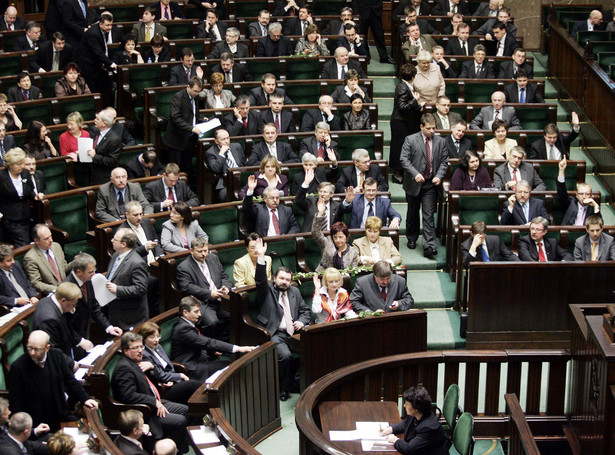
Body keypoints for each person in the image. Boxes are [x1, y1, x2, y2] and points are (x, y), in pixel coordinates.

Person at [111, 332, 189, 453]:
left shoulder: (136, 362)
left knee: (186, 410)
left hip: (156, 401)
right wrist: (154, 402)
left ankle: (174, 446)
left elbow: (158, 377)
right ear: (125, 351)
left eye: (141, 347)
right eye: (135, 348)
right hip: (147, 411)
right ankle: (171, 451)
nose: (140, 350)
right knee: (180, 420)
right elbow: (128, 395)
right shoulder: (124, 368)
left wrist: (152, 366)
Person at [254, 239, 310, 400]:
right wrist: (261, 257)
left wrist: (302, 321)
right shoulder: (267, 291)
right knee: (285, 356)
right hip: (275, 333)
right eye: (281, 279)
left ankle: (300, 384)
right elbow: (259, 280)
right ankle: (282, 389)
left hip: (294, 333)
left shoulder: (294, 292)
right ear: (274, 279)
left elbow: (305, 310)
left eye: (287, 279)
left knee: (313, 350)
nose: (284, 282)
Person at [9, 331, 98, 432]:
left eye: (36, 349)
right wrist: (29, 429)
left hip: (60, 413)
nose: (32, 352)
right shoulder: (18, 367)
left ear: (47, 348)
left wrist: (85, 398)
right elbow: (15, 401)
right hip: (37, 422)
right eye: (29, 347)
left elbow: (70, 381)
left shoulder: (57, 355)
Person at [171, 296, 255, 380]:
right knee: (227, 364)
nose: (199, 314)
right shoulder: (183, 328)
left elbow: (198, 342)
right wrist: (238, 348)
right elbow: (207, 342)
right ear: (185, 312)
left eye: (199, 311)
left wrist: (212, 351)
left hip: (198, 360)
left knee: (228, 362)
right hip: (191, 368)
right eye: (196, 312)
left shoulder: (187, 323)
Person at [400, 113, 448, 256]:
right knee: (413, 213)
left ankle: (429, 246)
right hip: (414, 182)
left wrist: (439, 176)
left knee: (428, 215)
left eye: (434, 128)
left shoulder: (441, 141)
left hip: (430, 184)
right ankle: (412, 238)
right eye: (429, 128)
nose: (432, 131)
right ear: (421, 127)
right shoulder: (410, 139)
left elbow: (445, 161)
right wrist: (415, 174)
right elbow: (404, 160)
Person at [175, 237, 229, 338]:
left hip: (221, 298)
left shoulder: (213, 258)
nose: (203, 254)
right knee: (212, 322)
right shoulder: (184, 267)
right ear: (191, 251)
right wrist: (209, 293)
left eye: (205, 251)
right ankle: (209, 349)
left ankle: (222, 342)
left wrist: (226, 287)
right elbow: (186, 287)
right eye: (200, 251)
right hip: (202, 302)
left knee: (235, 316)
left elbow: (223, 276)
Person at [138, 322, 202, 405]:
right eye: (152, 337)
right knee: (192, 384)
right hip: (163, 389)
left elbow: (170, 365)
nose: (156, 340)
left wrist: (172, 377)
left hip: (172, 381)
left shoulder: (158, 347)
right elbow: (160, 375)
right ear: (144, 339)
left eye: (158, 336)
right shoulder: (144, 354)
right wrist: (179, 376)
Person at [63, 252, 122, 340]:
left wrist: (109, 327)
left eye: (94, 270)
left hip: (86, 332)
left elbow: (94, 307)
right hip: (73, 338)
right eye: (90, 272)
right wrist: (80, 341)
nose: (94, 274)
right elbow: (65, 322)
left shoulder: (88, 279)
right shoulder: (66, 287)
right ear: (79, 272)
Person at [33, 281, 93, 360]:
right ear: (63, 301)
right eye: (73, 304)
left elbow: (66, 326)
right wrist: (71, 363)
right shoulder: (49, 320)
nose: (74, 308)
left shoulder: (46, 300)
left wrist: (81, 341)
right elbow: (53, 350)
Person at [380, 386, 449, 455]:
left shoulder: (429, 427)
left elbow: (409, 449)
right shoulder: (419, 413)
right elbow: (406, 423)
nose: (404, 405)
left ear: (416, 408)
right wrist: (391, 429)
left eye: (407, 404)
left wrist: (395, 440)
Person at [105, 228, 150, 330]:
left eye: (115, 239)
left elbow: (141, 288)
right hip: (116, 311)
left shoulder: (137, 263)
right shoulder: (116, 255)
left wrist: (117, 289)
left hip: (130, 318)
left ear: (123, 244)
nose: (112, 240)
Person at [165, 77, 205, 172]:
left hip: (189, 139)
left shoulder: (196, 97)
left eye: (198, 92)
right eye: (195, 91)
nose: (196, 93)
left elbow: (193, 113)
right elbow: (175, 117)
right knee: (175, 169)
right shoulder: (178, 97)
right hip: (177, 139)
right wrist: (191, 128)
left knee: (187, 167)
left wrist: (201, 118)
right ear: (188, 87)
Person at [390, 63, 421, 184]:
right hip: (400, 122)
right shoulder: (402, 87)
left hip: (406, 121)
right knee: (399, 147)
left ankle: (403, 172)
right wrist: (416, 100)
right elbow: (403, 107)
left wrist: (418, 107)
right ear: (413, 76)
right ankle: (397, 174)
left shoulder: (405, 85)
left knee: (404, 147)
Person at [78, 12, 117, 106]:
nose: (110, 27)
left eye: (111, 25)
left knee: (106, 87)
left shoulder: (104, 31)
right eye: (107, 25)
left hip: (98, 65)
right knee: (93, 91)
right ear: (100, 23)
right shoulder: (93, 33)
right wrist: (111, 64)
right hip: (89, 66)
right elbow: (98, 52)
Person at [0, 148, 37, 247]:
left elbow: (30, 191)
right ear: (11, 165)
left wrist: (36, 196)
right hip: (9, 218)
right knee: (23, 242)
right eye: (18, 164)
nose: (22, 166)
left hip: (26, 215)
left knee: (29, 240)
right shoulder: (1, 176)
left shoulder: (25, 173)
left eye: (22, 163)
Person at [312, 200, 358, 272]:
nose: (338, 240)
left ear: (346, 237)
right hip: (324, 277)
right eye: (335, 237)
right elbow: (315, 232)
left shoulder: (353, 252)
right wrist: (320, 213)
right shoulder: (327, 243)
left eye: (341, 237)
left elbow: (353, 273)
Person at [23, 224, 69, 296]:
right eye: (46, 239)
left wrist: (76, 263)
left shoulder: (56, 246)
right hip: (52, 294)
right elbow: (36, 283)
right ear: (36, 241)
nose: (51, 240)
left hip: (66, 287)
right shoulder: (30, 258)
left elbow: (64, 268)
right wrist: (58, 289)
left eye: (50, 236)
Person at [204, 128, 247, 202]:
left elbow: (243, 163)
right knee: (224, 196)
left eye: (228, 138)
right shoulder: (210, 152)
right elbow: (216, 169)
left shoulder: (237, 146)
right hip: (225, 182)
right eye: (223, 139)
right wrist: (221, 154)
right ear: (216, 141)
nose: (226, 141)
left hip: (241, 178)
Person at [556, 158, 600, 225]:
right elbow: (561, 192)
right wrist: (561, 170)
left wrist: (596, 207)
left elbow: (598, 227)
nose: (584, 196)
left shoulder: (592, 208)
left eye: (587, 194)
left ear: (591, 196)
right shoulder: (571, 203)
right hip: (569, 233)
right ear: (577, 195)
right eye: (581, 194)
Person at [86, 109, 122, 185]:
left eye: (97, 119)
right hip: (93, 174)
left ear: (104, 123)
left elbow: (112, 161)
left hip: (104, 179)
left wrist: (95, 156)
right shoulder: (96, 132)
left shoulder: (114, 139)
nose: (94, 120)